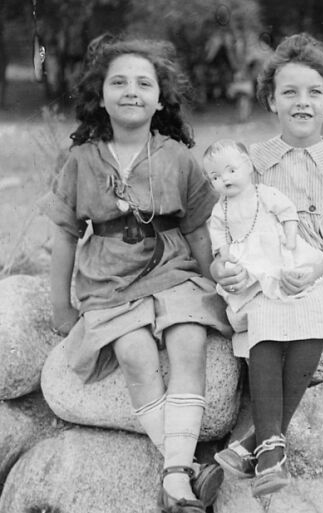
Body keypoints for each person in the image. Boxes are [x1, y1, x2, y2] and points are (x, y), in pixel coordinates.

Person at [38, 36, 231, 513]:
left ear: (160, 98)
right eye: (118, 81)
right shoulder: (81, 159)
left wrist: (218, 285)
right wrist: (61, 307)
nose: (131, 91)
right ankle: (182, 471)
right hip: (109, 279)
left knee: (190, 340)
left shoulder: (178, 157)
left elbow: (200, 232)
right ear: (99, 95)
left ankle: (174, 478)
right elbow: (63, 235)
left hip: (172, 266)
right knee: (135, 355)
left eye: (144, 83)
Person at [210, 33, 323, 497]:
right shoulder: (253, 163)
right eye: (289, 92)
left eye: (314, 93)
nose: (302, 103)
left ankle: (261, 443)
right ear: (270, 100)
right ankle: (269, 448)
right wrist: (225, 266)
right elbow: (226, 224)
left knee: (313, 309)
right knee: (266, 311)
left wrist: (320, 270)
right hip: (266, 272)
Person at [203, 138, 323, 314]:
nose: (225, 179)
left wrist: (291, 238)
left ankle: (287, 295)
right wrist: (225, 255)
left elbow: (287, 212)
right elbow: (218, 234)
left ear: (248, 166)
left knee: (289, 271)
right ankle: (259, 300)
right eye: (216, 177)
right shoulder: (220, 209)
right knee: (244, 277)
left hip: (274, 244)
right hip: (245, 251)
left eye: (231, 170)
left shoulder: (263, 193)